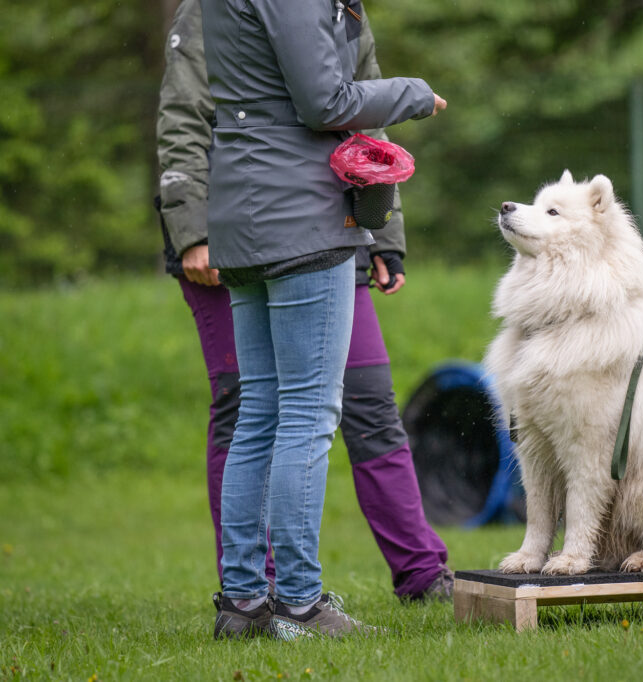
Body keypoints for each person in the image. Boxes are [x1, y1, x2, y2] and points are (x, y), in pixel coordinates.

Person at [158, 0, 447, 639]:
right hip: (299, 215)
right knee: (307, 414)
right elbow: (324, 101)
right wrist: (414, 94)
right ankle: (298, 603)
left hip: (244, 213)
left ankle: (242, 604)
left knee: (259, 409)